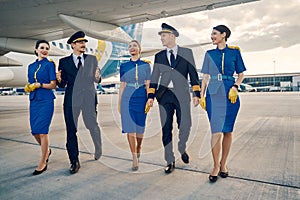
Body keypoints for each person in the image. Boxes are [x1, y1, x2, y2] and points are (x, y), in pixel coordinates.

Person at [147, 23, 200, 174]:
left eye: (163, 35)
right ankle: (169, 160)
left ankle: (181, 146)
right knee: (166, 129)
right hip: (164, 96)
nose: (161, 39)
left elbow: (193, 75)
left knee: (185, 125)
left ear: (172, 36)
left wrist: (196, 94)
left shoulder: (187, 53)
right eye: (161, 36)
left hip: (182, 94)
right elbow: (154, 77)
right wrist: (151, 96)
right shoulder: (159, 56)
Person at [200, 25, 246, 182]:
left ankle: (223, 164)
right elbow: (205, 76)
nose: (211, 36)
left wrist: (235, 87)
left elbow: (241, 74)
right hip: (213, 93)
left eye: (214, 33)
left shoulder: (234, 52)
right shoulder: (209, 54)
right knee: (216, 131)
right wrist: (202, 95)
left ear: (223, 35)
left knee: (227, 131)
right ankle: (215, 166)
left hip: (229, 93)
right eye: (211, 33)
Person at [56, 31, 102, 174]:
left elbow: (97, 79)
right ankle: (74, 161)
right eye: (80, 42)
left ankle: (98, 146)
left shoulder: (92, 59)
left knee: (92, 125)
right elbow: (62, 85)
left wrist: (98, 77)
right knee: (71, 130)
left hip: (88, 98)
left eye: (84, 42)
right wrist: (59, 80)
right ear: (73, 45)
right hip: (71, 100)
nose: (83, 44)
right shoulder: (64, 62)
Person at [118, 40, 151, 171]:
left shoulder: (146, 65)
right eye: (130, 46)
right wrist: (119, 102)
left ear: (139, 49)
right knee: (130, 128)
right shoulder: (124, 66)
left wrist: (150, 99)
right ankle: (134, 157)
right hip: (128, 98)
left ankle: (139, 147)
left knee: (140, 128)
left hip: (142, 97)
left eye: (134, 46)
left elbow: (148, 84)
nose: (132, 48)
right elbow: (122, 85)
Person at [25, 40, 56, 175]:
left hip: (46, 100)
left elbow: (53, 85)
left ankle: (43, 161)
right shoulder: (31, 66)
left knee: (43, 131)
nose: (44, 50)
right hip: (34, 100)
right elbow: (30, 82)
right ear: (36, 49)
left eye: (47, 48)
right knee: (34, 131)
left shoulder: (49, 65)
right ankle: (47, 150)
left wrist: (39, 85)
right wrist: (29, 87)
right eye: (42, 48)